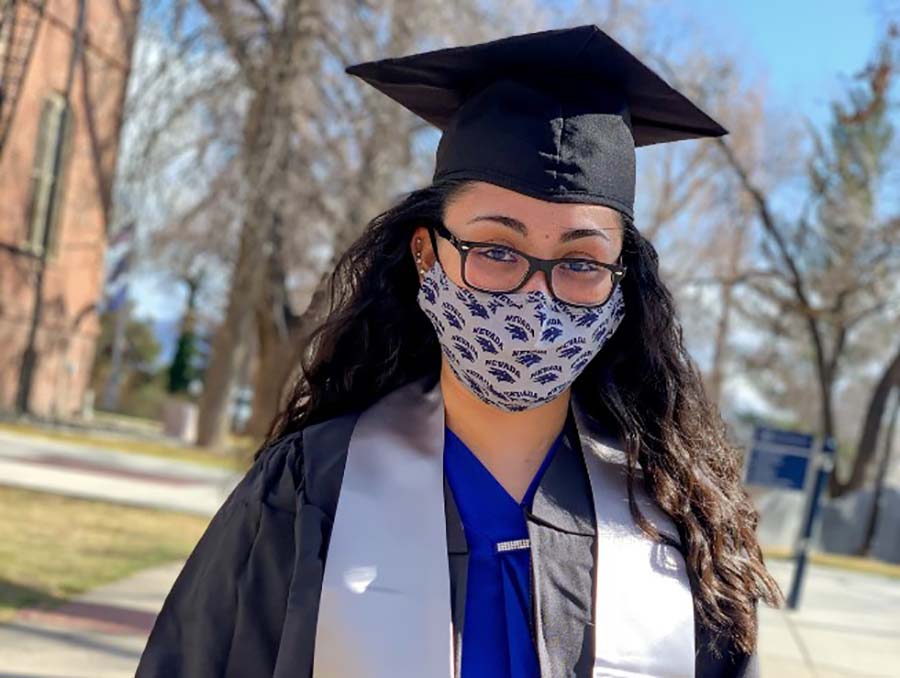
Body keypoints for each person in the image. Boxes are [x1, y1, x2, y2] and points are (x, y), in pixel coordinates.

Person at [135, 24, 783, 678]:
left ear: (623, 285)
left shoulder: (672, 522)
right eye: (497, 250)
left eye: (581, 261)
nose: (536, 301)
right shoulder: (310, 490)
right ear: (427, 254)